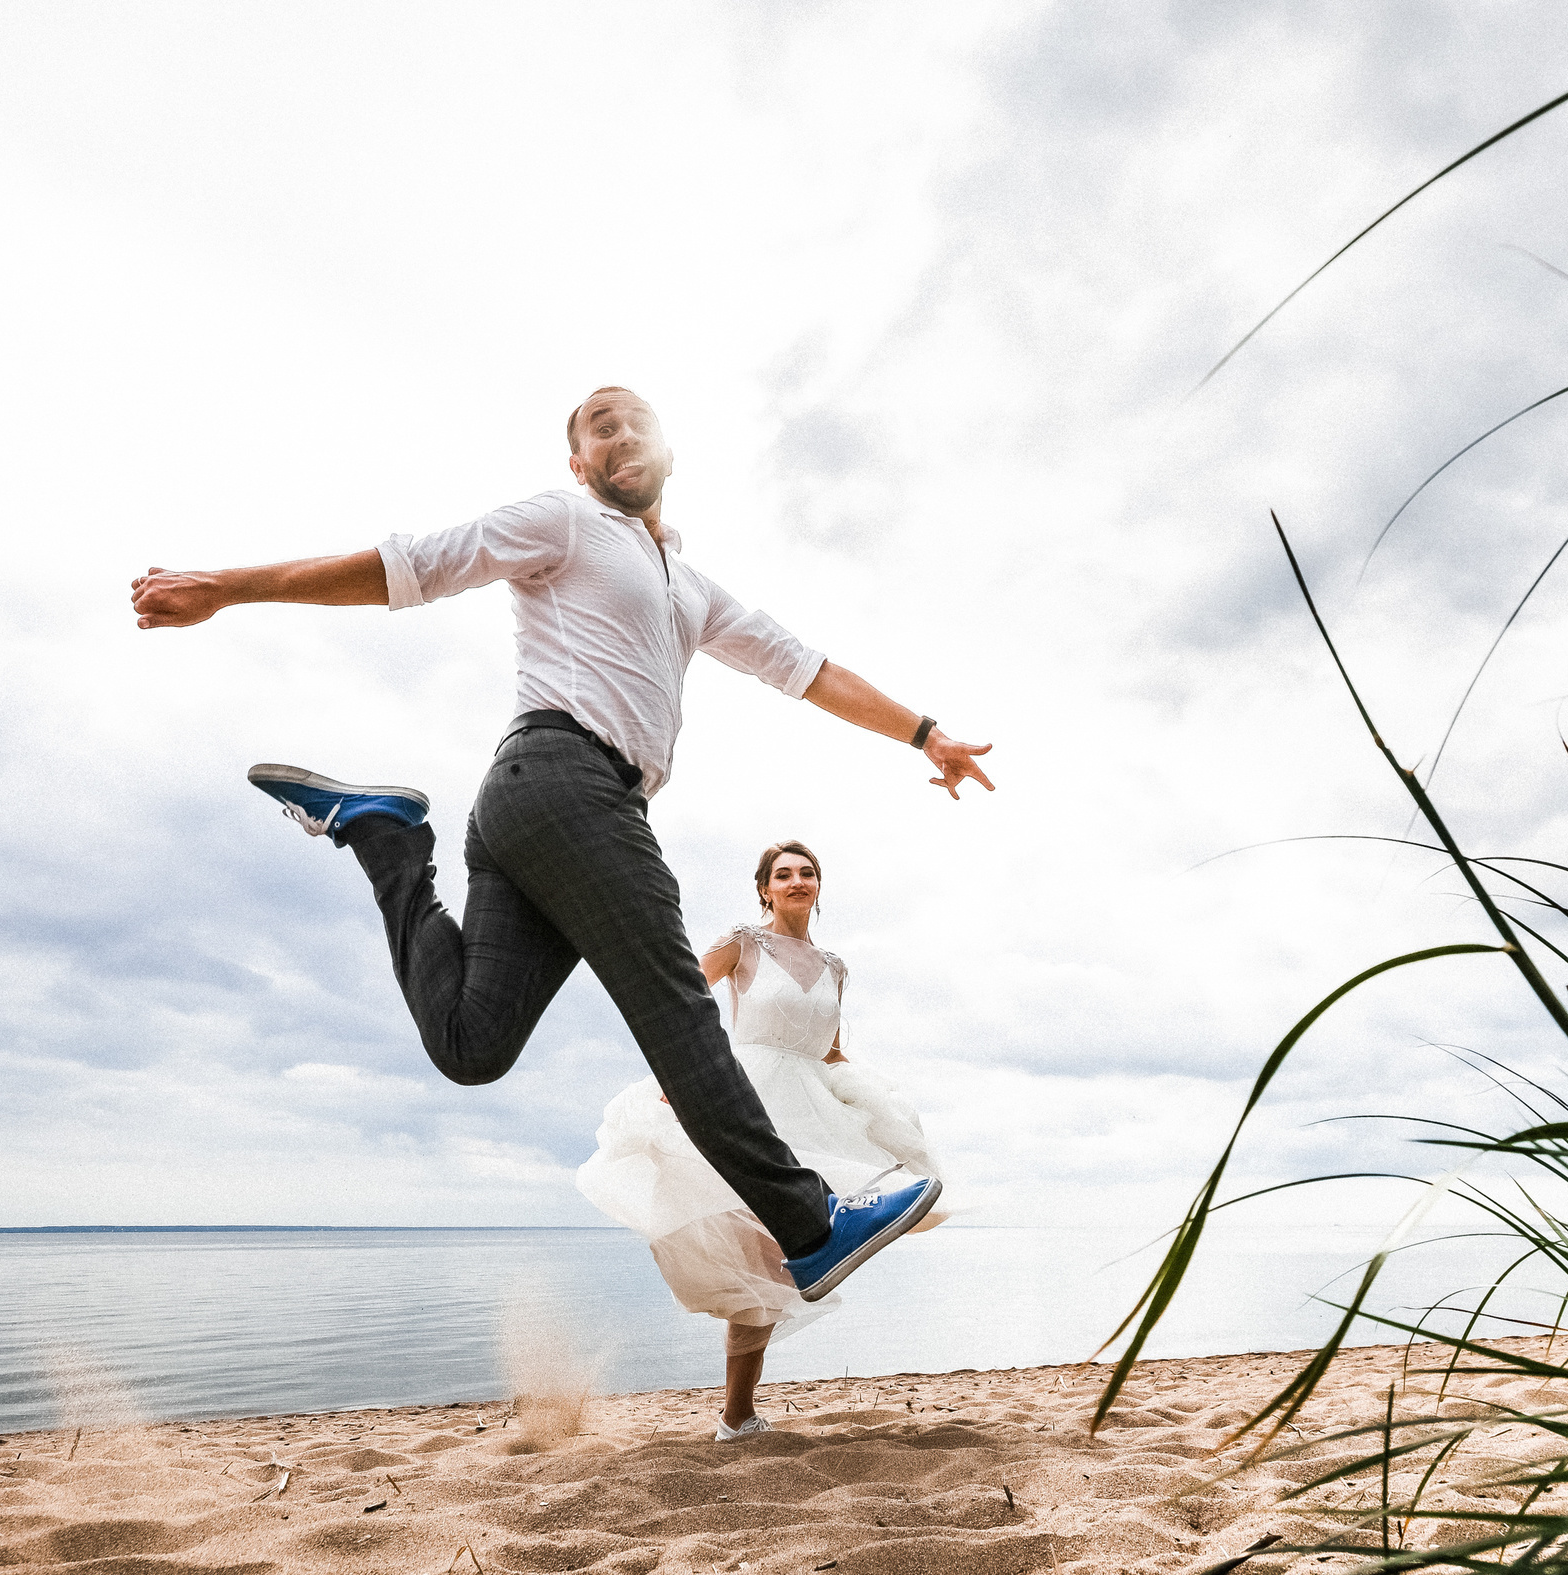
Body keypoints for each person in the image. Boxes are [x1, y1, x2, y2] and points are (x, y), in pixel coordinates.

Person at [129, 386, 992, 1301]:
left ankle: (387, 840)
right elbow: (410, 565)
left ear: (668, 450)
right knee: (679, 1011)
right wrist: (227, 587)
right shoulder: (566, 524)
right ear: (579, 465)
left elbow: (805, 668)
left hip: (528, 808)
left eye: (633, 421)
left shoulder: (692, 591)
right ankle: (810, 1225)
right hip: (568, 783)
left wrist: (923, 732)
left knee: (472, 1042)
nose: (619, 434)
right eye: (597, 427)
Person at [579, 841, 945, 1440]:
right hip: (747, 1095)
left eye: (807, 873)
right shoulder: (744, 943)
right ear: (765, 889)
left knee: (781, 1264)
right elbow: (678, 1001)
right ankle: (737, 1415)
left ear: (819, 887)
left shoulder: (835, 967)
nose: (796, 881)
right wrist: (682, 1070)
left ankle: (736, 1414)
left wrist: (870, 1099)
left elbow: (825, 1047)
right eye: (784, 874)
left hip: (810, 1104)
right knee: (755, 1257)